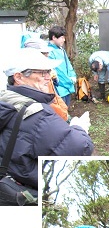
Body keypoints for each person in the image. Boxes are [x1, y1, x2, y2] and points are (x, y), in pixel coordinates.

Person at [0, 48, 94, 205]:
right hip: (25, 194)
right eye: (41, 73)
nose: (48, 77)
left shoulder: (6, 101)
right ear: (19, 77)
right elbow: (80, 147)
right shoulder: (38, 115)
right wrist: (79, 128)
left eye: (48, 71)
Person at [23, 39, 69, 122]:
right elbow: (47, 102)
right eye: (44, 54)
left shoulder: (46, 74)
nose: (47, 55)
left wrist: (64, 111)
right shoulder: (32, 81)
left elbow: (54, 96)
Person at [48, 25, 77, 106]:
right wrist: (69, 81)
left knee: (65, 111)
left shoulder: (61, 50)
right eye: (62, 37)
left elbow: (68, 65)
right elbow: (57, 73)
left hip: (67, 88)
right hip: (59, 89)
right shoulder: (49, 52)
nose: (64, 40)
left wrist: (73, 76)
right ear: (54, 37)